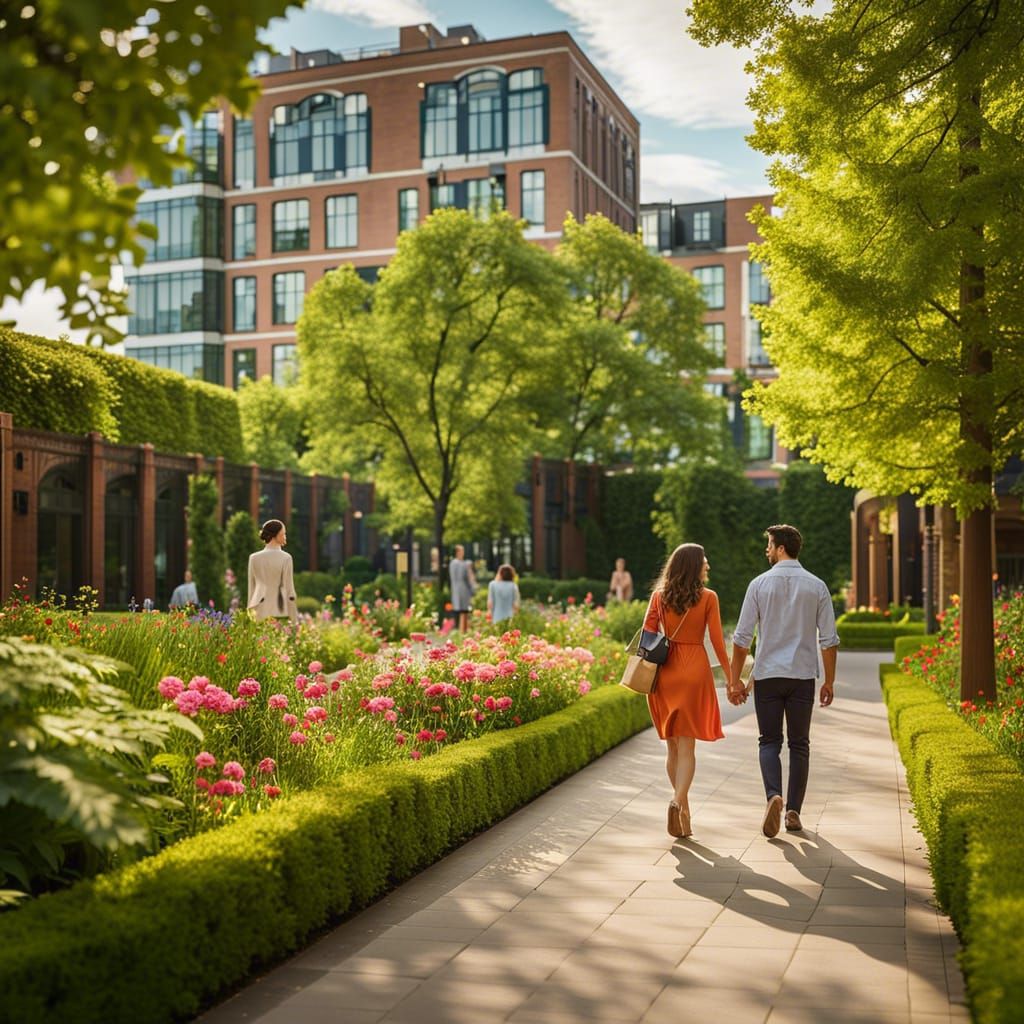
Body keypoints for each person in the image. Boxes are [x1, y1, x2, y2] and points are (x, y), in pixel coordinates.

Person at [728, 523, 840, 838]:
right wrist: (829, 681)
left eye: (769, 545)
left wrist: (736, 680)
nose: (767, 550)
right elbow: (829, 640)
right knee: (800, 745)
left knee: (769, 742)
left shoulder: (758, 585)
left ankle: (773, 795)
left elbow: (741, 639)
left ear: (780, 548)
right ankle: (792, 812)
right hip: (802, 676)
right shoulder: (817, 586)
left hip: (767, 677)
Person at [644, 543, 731, 839]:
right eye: (704, 563)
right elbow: (718, 643)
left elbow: (647, 636)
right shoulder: (708, 598)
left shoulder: (658, 598)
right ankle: (678, 803)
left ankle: (684, 810)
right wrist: (732, 678)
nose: (707, 566)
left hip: (665, 673)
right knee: (688, 748)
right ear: (694, 566)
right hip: (695, 670)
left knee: (672, 747)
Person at [247, 519, 298, 623]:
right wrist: (294, 620)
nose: (285, 537)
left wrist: (249, 613)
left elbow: (251, 588)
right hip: (279, 608)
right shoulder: (286, 558)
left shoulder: (254, 557)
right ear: (276, 535)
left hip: (258, 607)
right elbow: (290, 590)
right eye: (283, 534)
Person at [448, 544, 477, 631]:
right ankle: (462, 630)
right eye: (461, 551)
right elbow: (468, 577)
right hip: (463, 589)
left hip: (457, 589)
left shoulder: (453, 563)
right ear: (457, 552)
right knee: (464, 610)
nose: (463, 552)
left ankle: (461, 629)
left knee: (462, 610)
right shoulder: (461, 564)